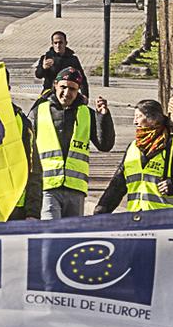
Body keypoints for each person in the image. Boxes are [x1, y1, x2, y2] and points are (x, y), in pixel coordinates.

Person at [35, 68, 114, 220]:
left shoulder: (86, 113)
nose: (67, 92)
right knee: (51, 232)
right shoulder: (40, 110)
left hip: (75, 188)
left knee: (70, 237)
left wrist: (103, 117)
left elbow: (105, 144)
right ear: (55, 85)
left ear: (78, 90)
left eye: (72, 88)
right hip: (47, 186)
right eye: (63, 87)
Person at [96, 100, 173, 213]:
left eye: (138, 116)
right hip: (138, 217)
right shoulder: (133, 147)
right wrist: (102, 209)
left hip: (170, 218)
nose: (134, 122)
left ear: (154, 120)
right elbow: (118, 185)